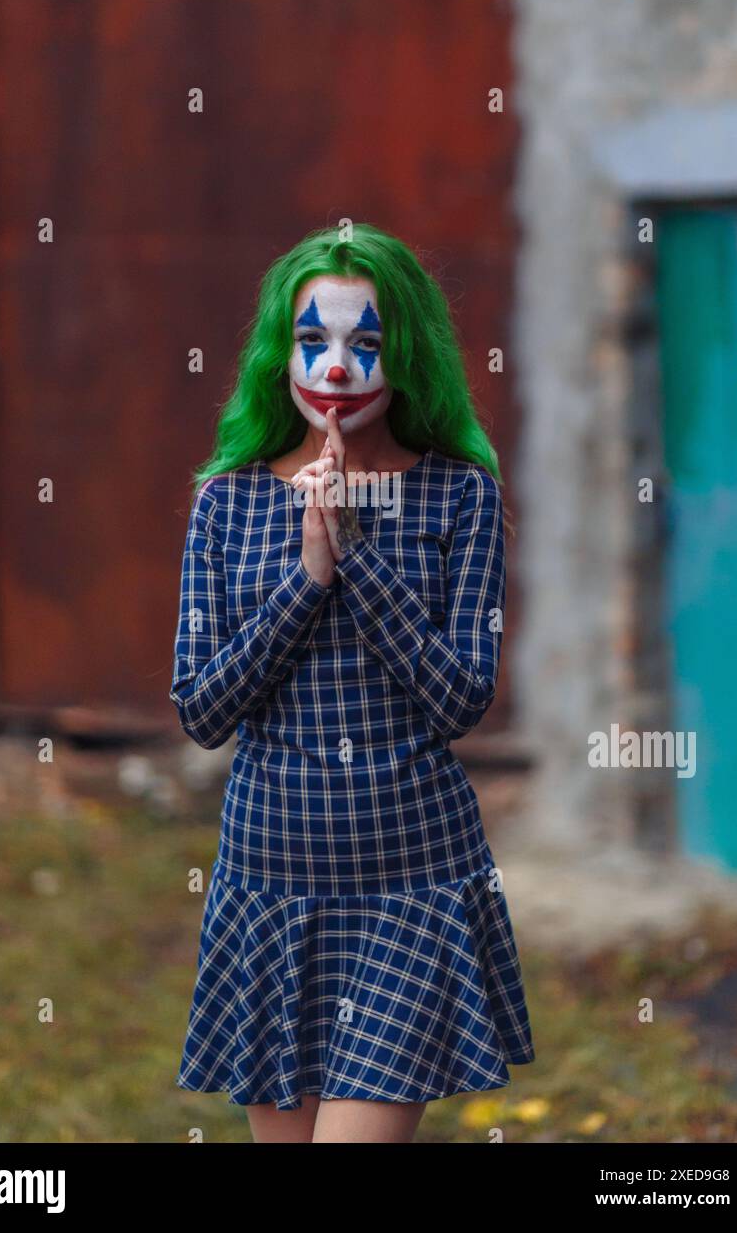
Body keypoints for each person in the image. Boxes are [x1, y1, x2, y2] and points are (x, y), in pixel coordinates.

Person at [170, 223, 534, 1143]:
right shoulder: (228, 499)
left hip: (410, 885)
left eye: (365, 344)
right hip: (271, 889)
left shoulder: (462, 496)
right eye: (313, 342)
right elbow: (203, 710)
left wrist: (358, 557)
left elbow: (461, 700)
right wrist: (308, 577)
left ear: (405, 354)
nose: (335, 369)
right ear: (279, 352)